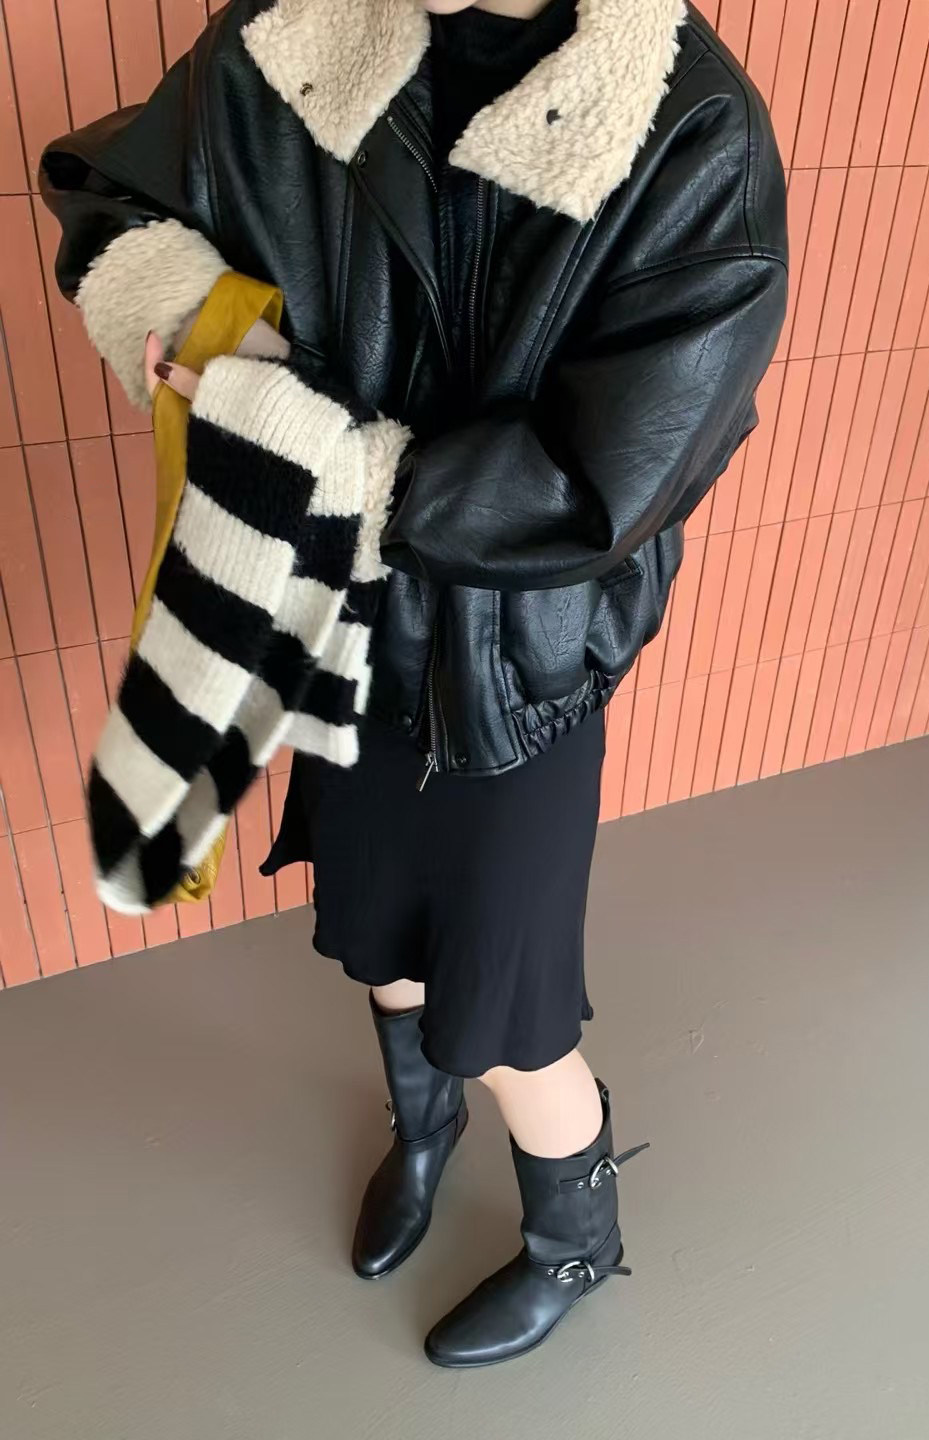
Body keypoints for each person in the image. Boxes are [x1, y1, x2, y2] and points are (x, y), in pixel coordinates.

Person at [41, 0, 787, 1368]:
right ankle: (423, 1126)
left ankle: (576, 1239)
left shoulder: (687, 123)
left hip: (515, 664)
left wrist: (321, 457)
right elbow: (115, 190)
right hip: (341, 619)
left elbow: (608, 481)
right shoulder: (300, 27)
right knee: (376, 931)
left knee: (507, 1010)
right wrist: (195, 322)